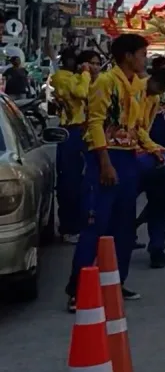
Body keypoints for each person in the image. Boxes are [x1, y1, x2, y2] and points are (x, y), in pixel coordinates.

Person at [64, 34, 165, 312]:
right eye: (142, 54)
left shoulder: (137, 86)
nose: (144, 59)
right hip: (106, 158)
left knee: (123, 226)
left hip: (128, 159)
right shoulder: (105, 82)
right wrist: (105, 162)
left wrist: (152, 148)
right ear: (127, 56)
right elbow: (95, 123)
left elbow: (134, 127)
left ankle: (115, 281)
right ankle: (78, 290)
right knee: (96, 225)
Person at [135, 63, 165, 268]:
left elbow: (143, 128)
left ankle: (157, 247)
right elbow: (134, 127)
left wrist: (157, 149)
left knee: (159, 204)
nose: (158, 94)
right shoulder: (132, 90)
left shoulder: (154, 98)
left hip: (149, 149)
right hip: (129, 150)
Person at [50, 48, 97, 241]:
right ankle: (69, 226)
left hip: (84, 131)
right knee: (70, 181)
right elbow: (81, 92)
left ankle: (82, 220)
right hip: (70, 130)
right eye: (90, 63)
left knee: (84, 181)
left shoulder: (82, 78)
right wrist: (85, 74)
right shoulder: (62, 77)